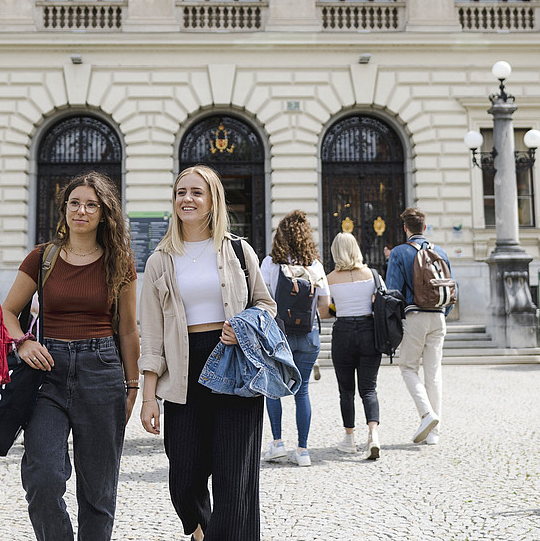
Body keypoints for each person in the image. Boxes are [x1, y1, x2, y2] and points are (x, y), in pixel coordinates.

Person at [139, 164, 276, 541]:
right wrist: (148, 396)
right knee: (184, 474)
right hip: (182, 370)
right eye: (181, 192)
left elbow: (266, 303)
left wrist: (244, 325)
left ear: (213, 200)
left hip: (233, 363)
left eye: (196, 192)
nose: (187, 199)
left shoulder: (237, 250)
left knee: (235, 478)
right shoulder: (159, 260)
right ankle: (202, 533)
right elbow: (151, 335)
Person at [0, 171, 139, 541]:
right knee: (43, 478)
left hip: (102, 369)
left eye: (91, 205)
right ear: (64, 209)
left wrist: (133, 384)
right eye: (75, 203)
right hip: (48, 370)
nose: (82, 210)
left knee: (98, 491)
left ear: (103, 213)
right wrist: (23, 343)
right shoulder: (42, 257)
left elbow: (127, 328)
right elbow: (6, 313)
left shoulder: (119, 261)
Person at [260, 210, 329, 467]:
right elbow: (325, 303)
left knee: (274, 390)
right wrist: (307, 318)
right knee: (302, 392)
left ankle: (277, 444)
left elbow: (261, 300)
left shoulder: (270, 264)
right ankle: (303, 450)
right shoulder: (315, 265)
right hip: (309, 337)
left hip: (279, 337)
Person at [385, 207, 453, 446]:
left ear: (406, 228)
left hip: (414, 316)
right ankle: (434, 434)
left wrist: (395, 323)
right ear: (424, 227)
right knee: (434, 374)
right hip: (439, 316)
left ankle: (427, 415)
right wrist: (443, 313)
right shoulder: (441, 252)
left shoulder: (399, 253)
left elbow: (392, 292)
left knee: (408, 367)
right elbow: (452, 288)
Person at [322, 232, 382, 460]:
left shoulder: (330, 278)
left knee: (346, 390)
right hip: (369, 331)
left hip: (343, 332)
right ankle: (373, 435)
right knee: (369, 388)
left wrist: (340, 306)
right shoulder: (372, 275)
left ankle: (349, 438)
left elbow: (325, 311)